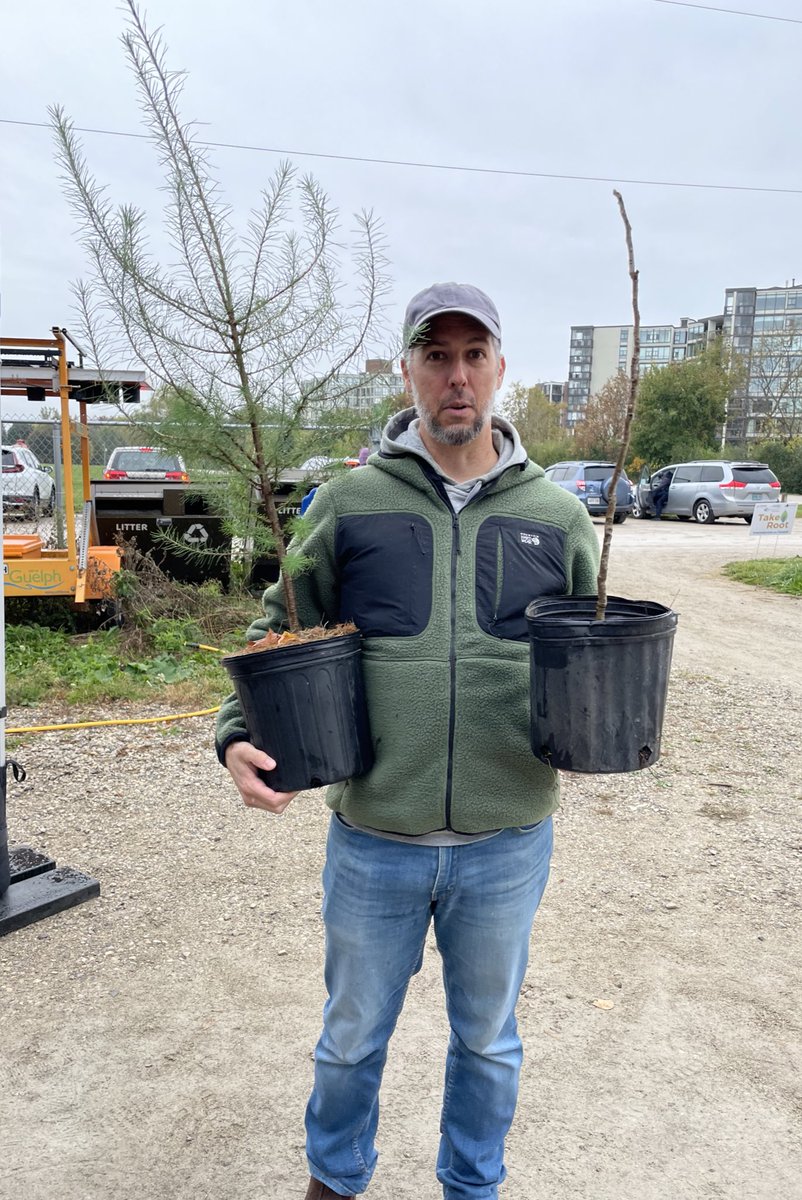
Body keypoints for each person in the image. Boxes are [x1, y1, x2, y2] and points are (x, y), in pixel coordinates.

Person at [216, 282, 600, 1200]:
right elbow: (280, 626)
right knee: (350, 1038)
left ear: (501, 369)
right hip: (375, 838)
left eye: (474, 355)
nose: (456, 376)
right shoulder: (350, 503)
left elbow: (596, 639)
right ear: (409, 371)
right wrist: (235, 736)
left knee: (489, 1041)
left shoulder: (555, 517)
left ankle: (472, 1186)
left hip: (506, 840)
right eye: (437, 356)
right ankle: (334, 1178)